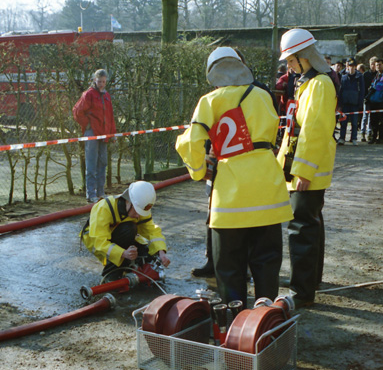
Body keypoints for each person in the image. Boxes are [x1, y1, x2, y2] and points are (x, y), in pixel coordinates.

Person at [175, 47, 293, 307]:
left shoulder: (210, 100)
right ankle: (267, 321)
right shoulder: (262, 95)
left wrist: (197, 171)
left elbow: (191, 142)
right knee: (266, 263)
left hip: (230, 195)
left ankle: (235, 325)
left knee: (228, 266)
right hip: (268, 189)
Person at [275, 29, 337, 308]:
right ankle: (310, 280)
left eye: (291, 60)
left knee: (301, 228)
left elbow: (314, 131)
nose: (288, 66)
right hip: (306, 168)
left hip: (308, 171)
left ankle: (302, 291)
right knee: (311, 224)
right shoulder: (311, 82)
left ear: (304, 57)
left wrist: (303, 171)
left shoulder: (319, 84)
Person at [80, 181, 170, 281]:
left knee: (148, 254)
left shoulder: (140, 207)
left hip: (120, 234)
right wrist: (123, 253)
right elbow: (99, 241)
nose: (138, 216)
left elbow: (152, 231)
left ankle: (131, 270)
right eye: (136, 211)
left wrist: (161, 252)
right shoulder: (104, 208)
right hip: (96, 241)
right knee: (129, 229)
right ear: (128, 201)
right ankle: (110, 275)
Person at [73, 69, 117, 203]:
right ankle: (90, 193)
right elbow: (77, 111)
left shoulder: (107, 96)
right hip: (92, 132)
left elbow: (110, 116)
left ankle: (100, 192)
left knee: (102, 163)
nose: (102, 84)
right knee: (91, 163)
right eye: (99, 81)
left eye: (104, 82)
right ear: (94, 80)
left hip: (104, 133)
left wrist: (112, 134)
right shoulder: (88, 95)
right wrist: (88, 125)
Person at [337, 58, 364, 146]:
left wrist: (360, 103)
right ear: (347, 67)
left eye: (353, 67)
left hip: (355, 103)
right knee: (343, 122)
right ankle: (342, 138)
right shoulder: (343, 77)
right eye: (349, 67)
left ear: (355, 67)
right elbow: (340, 91)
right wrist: (340, 103)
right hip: (345, 103)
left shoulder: (359, 77)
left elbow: (362, 91)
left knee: (354, 122)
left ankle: (354, 138)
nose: (351, 68)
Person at [361, 56, 378, 142]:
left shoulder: (378, 75)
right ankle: (362, 132)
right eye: (372, 64)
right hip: (366, 98)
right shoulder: (366, 75)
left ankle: (369, 132)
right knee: (365, 116)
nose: (373, 66)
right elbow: (363, 87)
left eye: (375, 64)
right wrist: (364, 97)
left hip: (374, 99)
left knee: (372, 116)